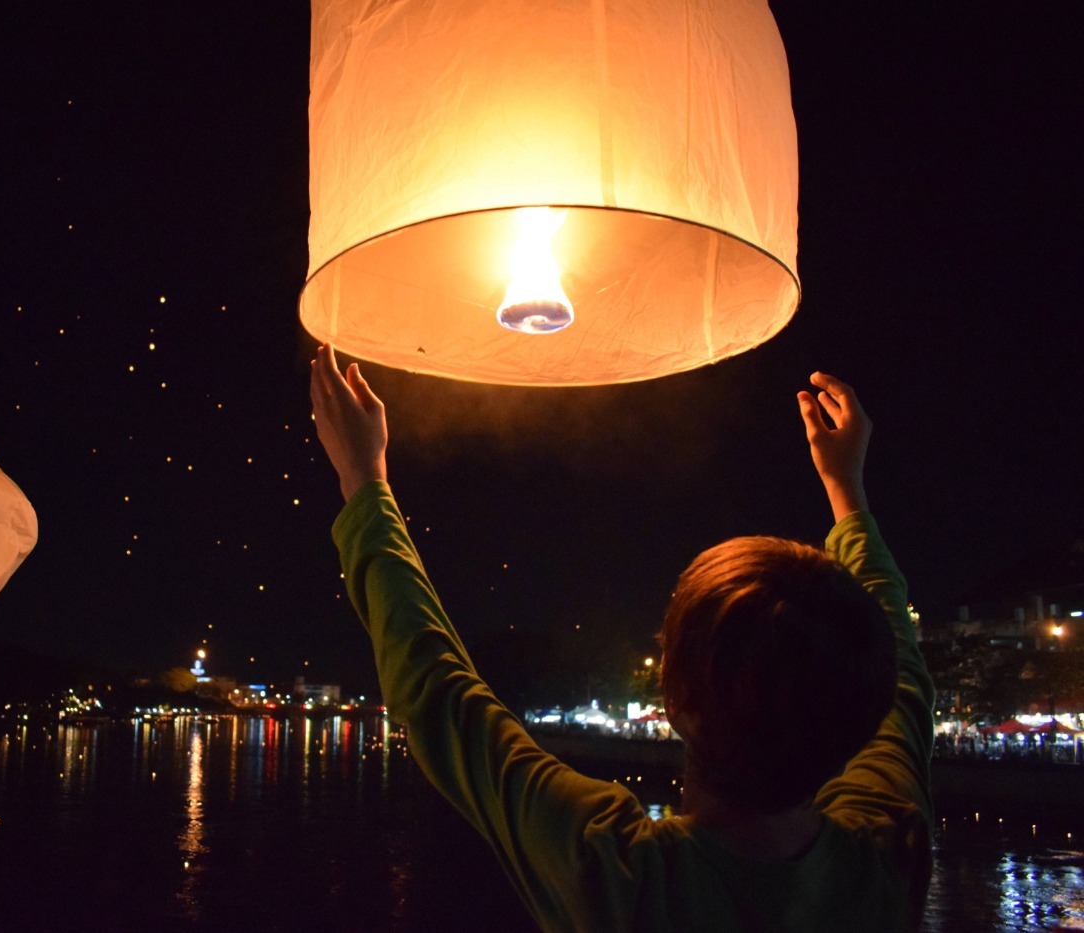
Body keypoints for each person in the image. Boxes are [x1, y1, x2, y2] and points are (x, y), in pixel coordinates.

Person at [309, 344, 934, 932]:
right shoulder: (887, 851)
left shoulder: (618, 873)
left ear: (677, 705)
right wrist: (846, 491)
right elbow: (899, 664)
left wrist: (362, 480)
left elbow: (435, 689)